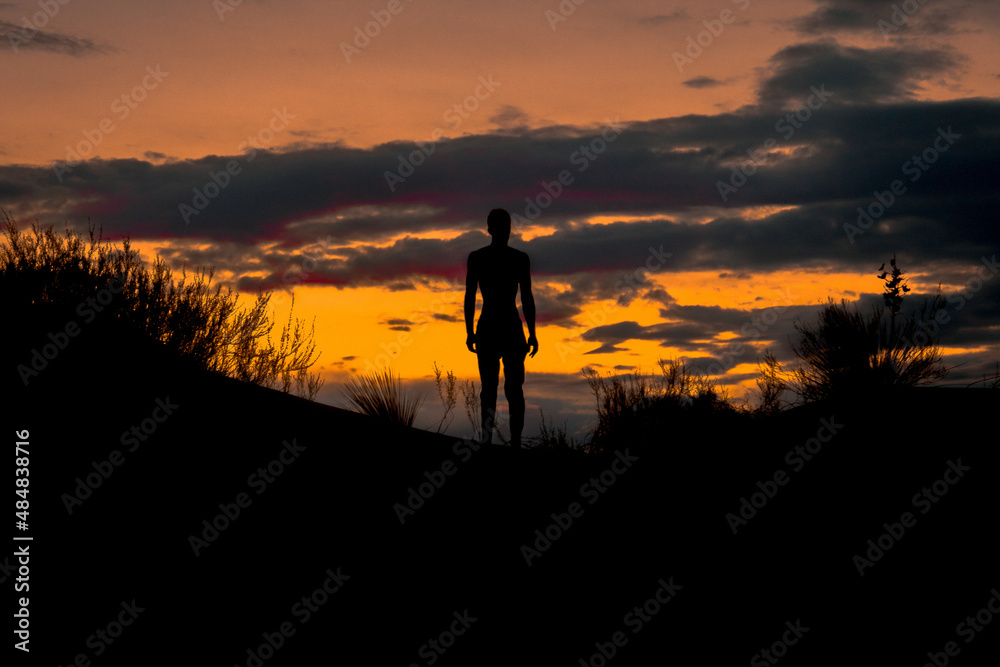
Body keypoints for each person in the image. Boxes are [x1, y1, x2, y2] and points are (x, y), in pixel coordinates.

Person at [465, 209, 538, 448]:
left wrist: (533, 333)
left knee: (509, 387)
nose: (504, 231)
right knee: (495, 388)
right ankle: (494, 441)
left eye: (505, 227)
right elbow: (469, 297)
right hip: (497, 327)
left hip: (502, 328)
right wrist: (469, 332)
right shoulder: (485, 258)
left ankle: (511, 441)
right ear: (492, 230)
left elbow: (527, 297)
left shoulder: (513, 258)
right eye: (502, 227)